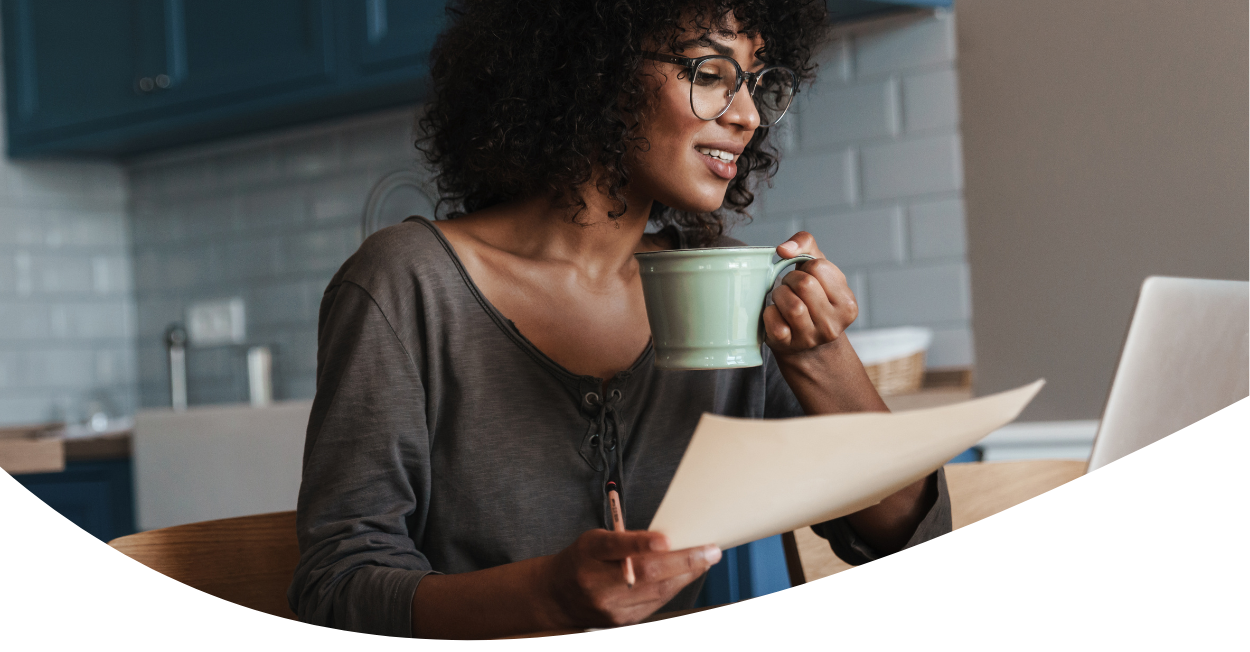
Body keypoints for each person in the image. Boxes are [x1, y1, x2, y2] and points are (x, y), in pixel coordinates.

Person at [288, 0, 951, 639]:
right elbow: (336, 589)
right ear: (591, 66)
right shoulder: (407, 284)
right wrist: (547, 595)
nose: (748, 116)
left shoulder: (730, 284)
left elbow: (907, 540)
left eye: (756, 83)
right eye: (710, 74)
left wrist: (820, 355)